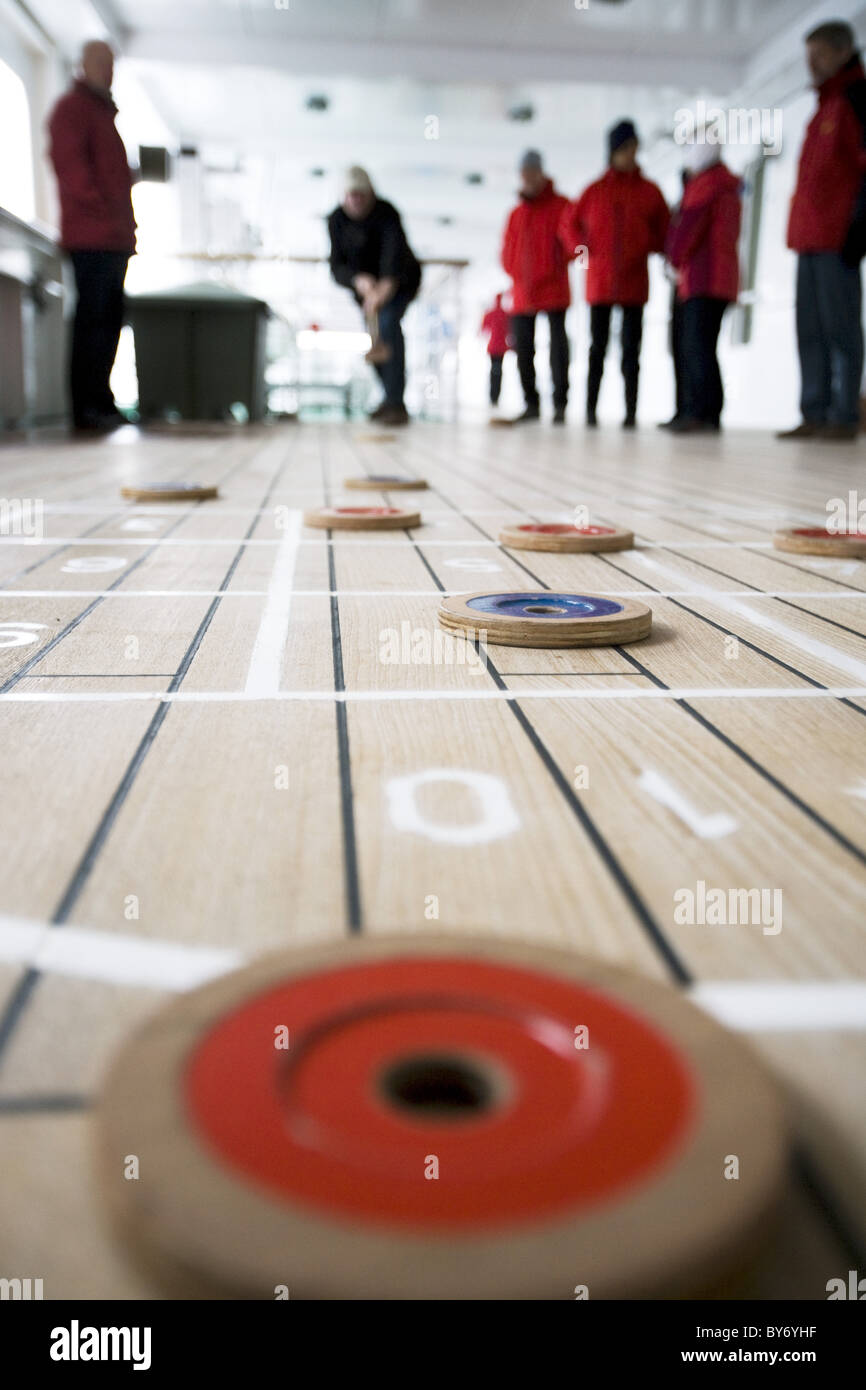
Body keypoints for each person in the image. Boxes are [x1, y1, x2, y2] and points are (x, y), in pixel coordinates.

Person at [778, 20, 866, 442]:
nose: (810, 65)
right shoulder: (822, 108)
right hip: (809, 241)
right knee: (809, 330)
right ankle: (814, 411)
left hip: (838, 242)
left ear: (842, 51)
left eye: (818, 56)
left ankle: (843, 413)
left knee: (841, 329)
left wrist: (858, 232)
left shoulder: (856, 101)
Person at [47, 40, 136, 434]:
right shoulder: (73, 109)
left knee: (109, 319)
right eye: (103, 63)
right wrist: (102, 213)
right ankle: (87, 408)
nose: (109, 70)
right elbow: (71, 168)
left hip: (113, 238)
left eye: (113, 63)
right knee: (94, 321)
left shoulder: (102, 113)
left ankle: (101, 401)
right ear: (83, 65)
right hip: (92, 238)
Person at [560, 120, 669, 429]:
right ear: (613, 152)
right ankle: (590, 411)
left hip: (635, 281)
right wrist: (583, 254)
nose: (631, 155)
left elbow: (664, 230)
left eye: (634, 149)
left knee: (632, 352)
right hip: (601, 282)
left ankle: (631, 414)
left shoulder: (649, 192)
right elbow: (569, 227)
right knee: (597, 348)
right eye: (625, 149)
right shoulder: (594, 192)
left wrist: (649, 247)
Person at [327, 167, 421, 426]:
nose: (356, 201)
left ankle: (395, 403)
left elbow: (394, 256)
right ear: (343, 196)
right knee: (375, 341)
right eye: (351, 196)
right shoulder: (336, 220)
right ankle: (389, 398)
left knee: (389, 325)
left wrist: (382, 289)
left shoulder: (387, 212)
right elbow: (336, 267)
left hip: (399, 282)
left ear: (370, 194)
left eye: (361, 195)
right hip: (364, 289)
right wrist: (359, 281)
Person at [664, 145, 742, 433]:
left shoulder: (705, 186)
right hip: (720, 278)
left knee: (695, 346)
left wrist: (673, 257)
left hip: (703, 278)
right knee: (705, 346)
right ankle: (707, 412)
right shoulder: (727, 186)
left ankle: (699, 411)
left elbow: (687, 230)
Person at [501, 151, 572, 423]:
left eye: (532, 172)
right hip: (523, 291)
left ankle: (560, 403)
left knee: (558, 348)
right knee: (524, 347)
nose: (528, 178)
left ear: (541, 173)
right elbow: (506, 252)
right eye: (524, 174)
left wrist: (559, 262)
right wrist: (516, 272)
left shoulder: (562, 205)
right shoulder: (516, 214)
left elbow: (575, 242)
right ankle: (531, 403)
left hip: (554, 287)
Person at [659, 170, 691, 430]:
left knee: (693, 348)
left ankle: (694, 411)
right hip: (680, 283)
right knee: (679, 347)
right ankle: (682, 410)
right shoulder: (681, 207)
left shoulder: (698, 202)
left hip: (695, 285)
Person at [480, 292, 512, 409]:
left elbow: (483, 330)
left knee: (494, 371)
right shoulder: (506, 315)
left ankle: (493, 396)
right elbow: (510, 332)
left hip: (493, 347)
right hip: (500, 347)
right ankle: (495, 396)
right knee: (498, 371)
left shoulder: (490, 314)